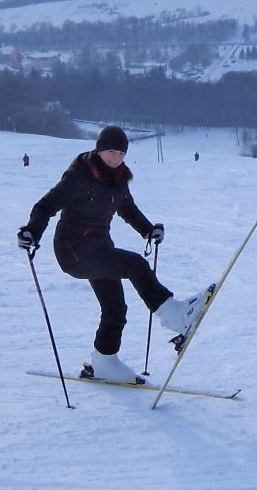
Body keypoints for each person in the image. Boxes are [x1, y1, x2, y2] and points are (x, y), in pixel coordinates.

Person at [17, 125, 210, 382]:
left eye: (121, 153)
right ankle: (174, 316)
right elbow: (46, 205)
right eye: (111, 151)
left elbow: (127, 208)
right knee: (135, 265)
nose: (116, 158)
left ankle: (104, 362)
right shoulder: (78, 177)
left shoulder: (118, 178)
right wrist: (32, 232)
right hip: (73, 251)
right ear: (98, 150)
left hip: (99, 248)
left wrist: (148, 230)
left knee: (115, 307)